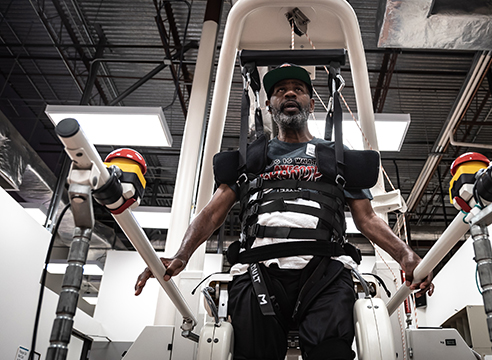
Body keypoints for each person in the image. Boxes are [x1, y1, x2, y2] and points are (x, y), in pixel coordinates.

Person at [135, 64, 434, 360]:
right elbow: (212, 213)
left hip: (325, 272)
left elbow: (367, 219)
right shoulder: (250, 158)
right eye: (280, 90)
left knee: (332, 354)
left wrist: (405, 255)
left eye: (299, 89)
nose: (289, 93)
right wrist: (181, 254)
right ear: (269, 104)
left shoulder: (335, 156)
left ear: (311, 102)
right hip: (257, 272)